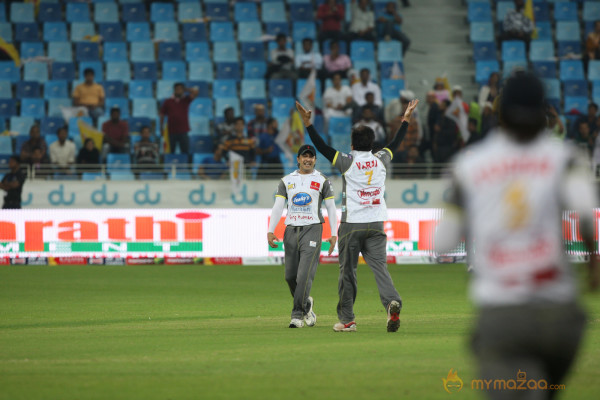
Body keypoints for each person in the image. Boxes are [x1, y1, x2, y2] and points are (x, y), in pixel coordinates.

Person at [434, 71, 599, 400]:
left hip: (502, 311)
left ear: (499, 112)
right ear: (544, 111)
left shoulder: (469, 166)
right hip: (561, 314)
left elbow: (443, 242)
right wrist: (593, 258)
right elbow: (584, 209)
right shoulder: (564, 157)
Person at [296, 98, 419, 332]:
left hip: (352, 224)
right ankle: (392, 303)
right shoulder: (381, 158)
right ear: (372, 144)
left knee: (348, 273)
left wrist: (308, 124)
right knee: (380, 268)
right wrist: (406, 119)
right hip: (376, 223)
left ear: (352, 144)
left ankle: (347, 320)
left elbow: (321, 148)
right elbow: (397, 141)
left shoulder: (347, 161)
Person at [267, 144, 338, 328]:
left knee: (305, 274)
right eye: (304, 156)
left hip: (313, 228)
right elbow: (278, 206)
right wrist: (270, 230)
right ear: (298, 159)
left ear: (315, 160)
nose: (307, 159)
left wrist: (333, 233)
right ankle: (307, 305)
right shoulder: (286, 180)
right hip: (290, 230)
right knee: (290, 276)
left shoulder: (322, 180)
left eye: (311, 156)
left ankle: (297, 315)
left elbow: (331, 207)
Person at [159, 82, 199, 155]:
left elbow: (196, 92)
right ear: (174, 90)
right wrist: (161, 128)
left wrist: (186, 89)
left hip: (183, 131)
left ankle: (186, 166)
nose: (178, 91)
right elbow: (162, 115)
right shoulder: (168, 101)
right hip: (171, 131)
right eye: (177, 89)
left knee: (185, 152)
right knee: (170, 153)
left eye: (180, 89)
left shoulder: (186, 100)